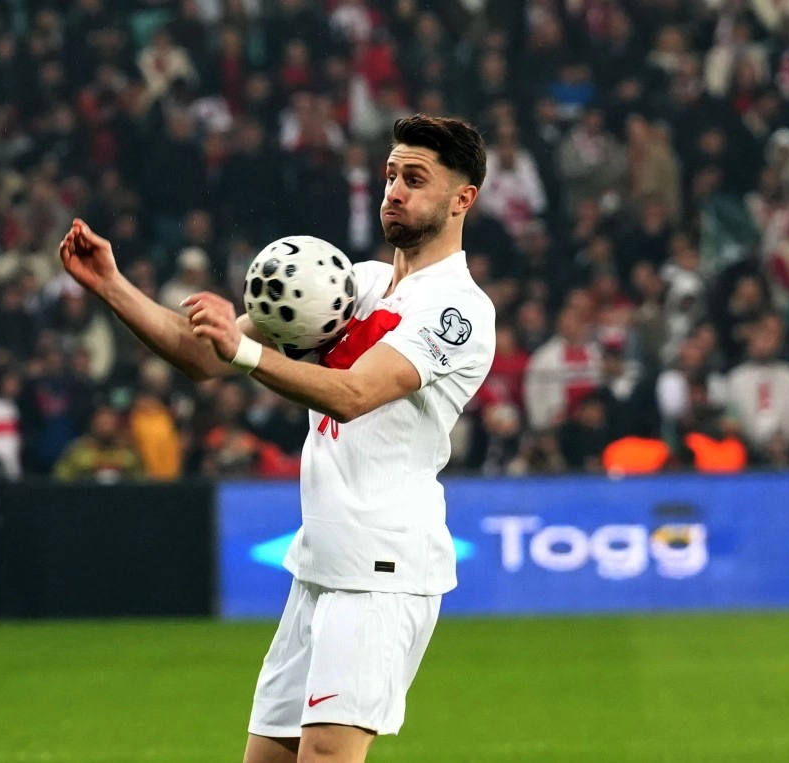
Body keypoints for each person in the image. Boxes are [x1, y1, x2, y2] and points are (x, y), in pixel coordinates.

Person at [58, 114, 493, 763]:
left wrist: (243, 353)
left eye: (414, 179)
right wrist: (112, 285)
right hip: (318, 565)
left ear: (462, 199)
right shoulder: (355, 282)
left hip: (381, 568)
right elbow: (203, 358)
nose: (394, 191)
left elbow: (352, 394)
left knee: (325, 755)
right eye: (390, 176)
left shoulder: (457, 310)